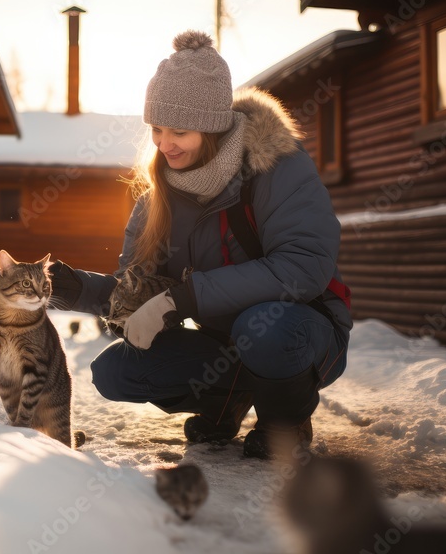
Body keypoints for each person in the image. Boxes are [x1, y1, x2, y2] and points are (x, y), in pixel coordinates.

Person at [48, 30, 352, 459]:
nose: (164, 144)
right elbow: (137, 291)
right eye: (155, 129)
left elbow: (303, 268)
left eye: (179, 131)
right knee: (115, 372)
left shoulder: (276, 168)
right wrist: (71, 287)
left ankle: (286, 423)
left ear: (212, 129)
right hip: (226, 343)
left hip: (302, 333)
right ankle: (225, 402)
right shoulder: (158, 197)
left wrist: (184, 299)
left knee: (262, 328)